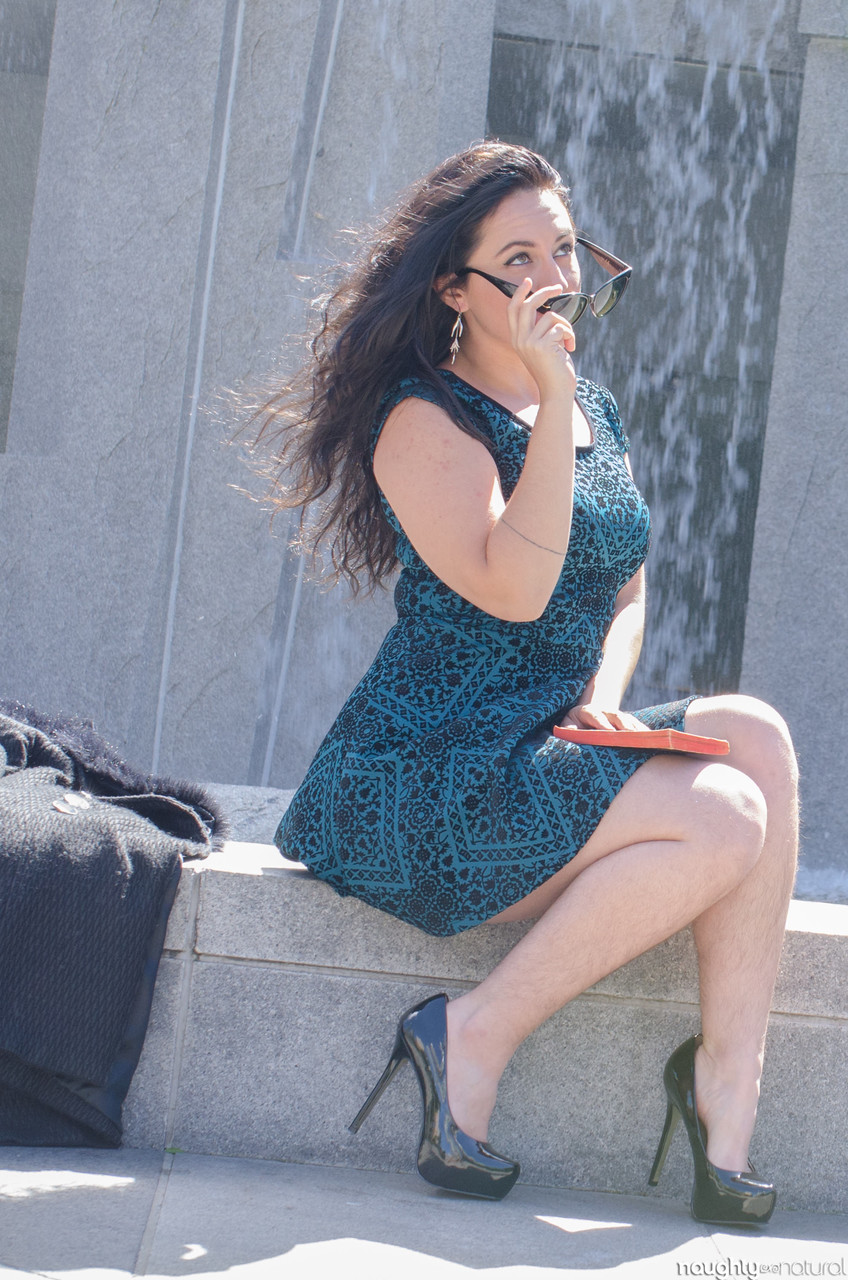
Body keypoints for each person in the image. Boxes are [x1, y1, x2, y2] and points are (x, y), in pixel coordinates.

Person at [253, 142, 798, 1224]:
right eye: (518, 260)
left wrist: (604, 691)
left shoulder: (592, 404)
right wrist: (549, 402)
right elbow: (516, 587)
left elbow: (626, 583)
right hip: (427, 777)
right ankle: (469, 1035)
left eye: (562, 250)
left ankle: (724, 1094)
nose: (555, 279)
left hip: (546, 742)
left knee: (758, 735)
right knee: (725, 813)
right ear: (453, 289)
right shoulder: (424, 419)